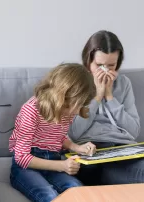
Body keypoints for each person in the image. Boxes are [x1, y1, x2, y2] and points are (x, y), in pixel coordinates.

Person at [68, 30, 144, 185]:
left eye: (111, 65)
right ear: (88, 63)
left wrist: (109, 96)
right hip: (92, 155)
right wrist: (97, 97)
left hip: (123, 151)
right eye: (99, 65)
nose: (105, 71)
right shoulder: (74, 83)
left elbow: (133, 130)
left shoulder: (123, 83)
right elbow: (73, 133)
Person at [9, 63, 97, 202]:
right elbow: (22, 158)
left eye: (81, 105)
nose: (75, 111)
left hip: (53, 162)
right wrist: (62, 166)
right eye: (73, 105)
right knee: (49, 196)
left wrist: (77, 147)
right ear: (61, 96)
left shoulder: (68, 111)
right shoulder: (31, 110)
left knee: (78, 190)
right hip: (26, 167)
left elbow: (58, 138)